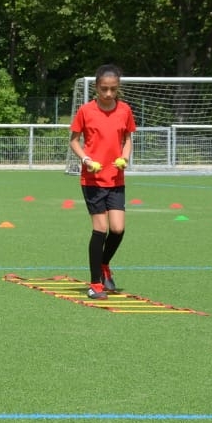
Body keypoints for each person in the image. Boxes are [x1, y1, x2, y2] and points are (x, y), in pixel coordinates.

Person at [69, 65, 136, 300]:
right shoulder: (85, 111)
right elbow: (74, 141)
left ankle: (104, 264)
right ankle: (95, 284)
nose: (108, 93)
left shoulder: (125, 110)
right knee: (100, 228)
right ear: (96, 87)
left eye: (113, 89)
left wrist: (124, 157)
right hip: (93, 179)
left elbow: (128, 138)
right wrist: (86, 159)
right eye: (104, 89)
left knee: (118, 229)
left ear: (118, 88)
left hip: (115, 178)